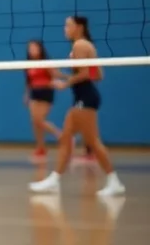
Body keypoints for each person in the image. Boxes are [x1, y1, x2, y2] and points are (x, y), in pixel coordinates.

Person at [28, 15, 125, 196]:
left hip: (85, 98)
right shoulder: (86, 45)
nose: (65, 28)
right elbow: (98, 74)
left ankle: (114, 181)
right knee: (66, 138)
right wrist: (67, 77)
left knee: (93, 141)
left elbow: (86, 73)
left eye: (68, 25)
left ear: (79, 27)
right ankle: (54, 180)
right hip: (84, 96)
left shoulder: (80, 45)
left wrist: (65, 83)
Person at [22, 40, 61, 162]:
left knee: (40, 120)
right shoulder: (28, 64)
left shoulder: (46, 62)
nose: (32, 50)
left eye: (34, 47)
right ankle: (41, 148)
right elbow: (28, 81)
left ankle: (62, 136)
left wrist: (57, 80)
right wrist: (26, 95)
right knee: (34, 121)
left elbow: (55, 74)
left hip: (46, 92)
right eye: (30, 48)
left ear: (40, 49)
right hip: (34, 93)